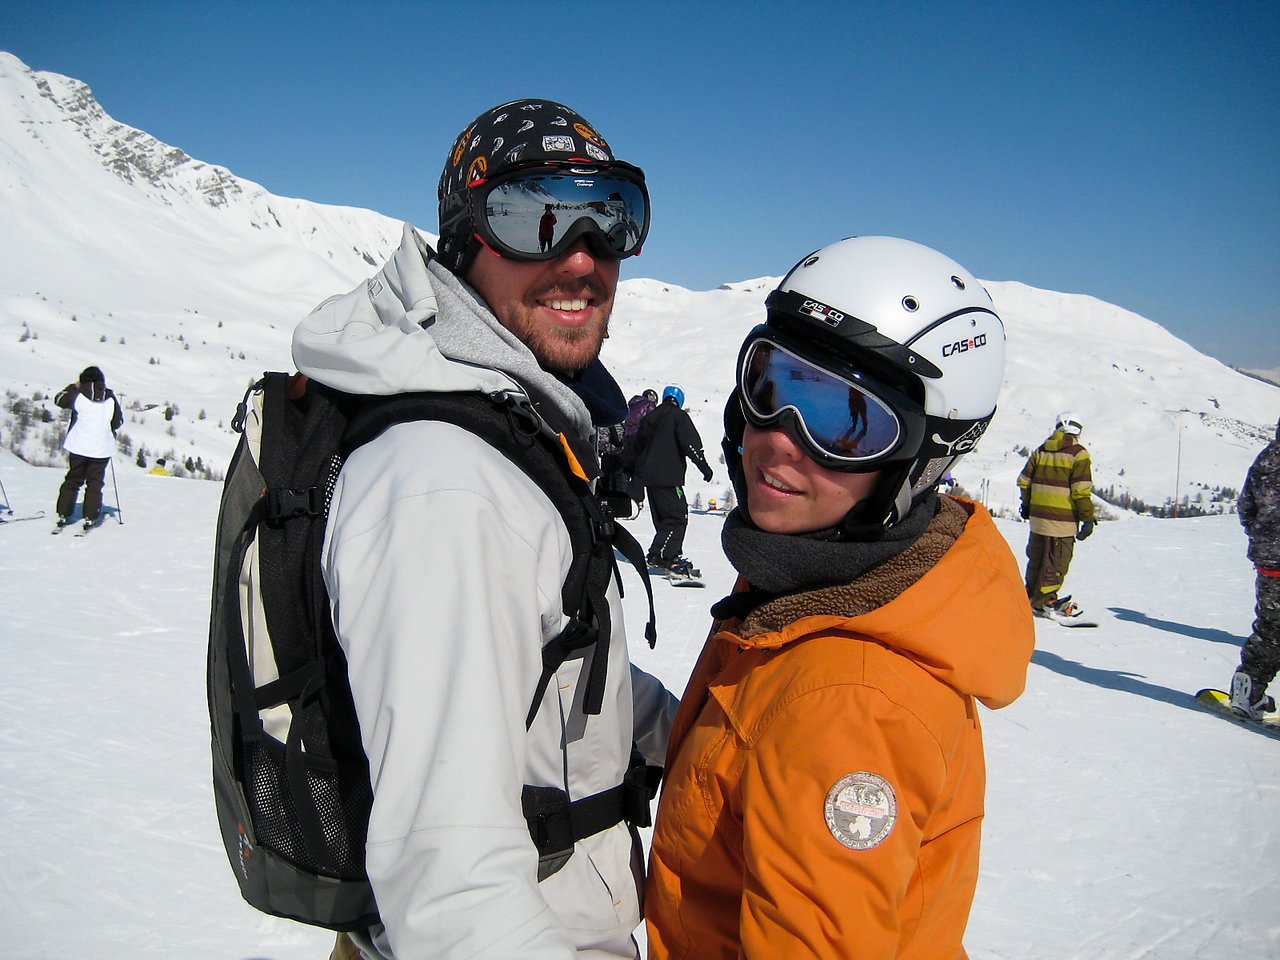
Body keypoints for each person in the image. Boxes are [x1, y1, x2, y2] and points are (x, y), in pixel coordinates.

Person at [291, 99, 677, 960]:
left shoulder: (515, 432)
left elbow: (553, 672)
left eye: (611, 216)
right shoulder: (447, 486)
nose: (581, 256)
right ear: (463, 241)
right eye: (530, 216)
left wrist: (687, 732)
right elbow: (452, 888)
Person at [644, 236, 1035, 959]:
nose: (781, 440)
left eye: (846, 421)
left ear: (919, 463)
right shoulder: (816, 589)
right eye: (775, 386)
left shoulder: (848, 700)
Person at [1017, 413, 1096, 620]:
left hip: (1038, 520)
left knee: (1037, 558)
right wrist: (1087, 518)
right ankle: (1045, 601)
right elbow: (1080, 491)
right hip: (1062, 522)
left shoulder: (1041, 451)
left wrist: (1027, 505)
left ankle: (1030, 595)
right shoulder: (1078, 454)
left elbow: (1024, 481)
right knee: (1057, 562)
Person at [631, 384, 713, 574]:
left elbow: (636, 447)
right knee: (677, 517)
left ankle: (668, 552)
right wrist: (704, 467)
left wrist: (633, 475)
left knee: (663, 519)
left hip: (649, 479)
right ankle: (661, 554)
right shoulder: (678, 416)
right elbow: (691, 443)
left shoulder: (650, 417)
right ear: (680, 400)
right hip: (668, 478)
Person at [1229, 416, 1280, 719]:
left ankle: (1246, 692)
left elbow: (1246, 505)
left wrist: (1261, 538)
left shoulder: (1266, 459)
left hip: (1269, 563)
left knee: (1270, 630)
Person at [54, 365, 123, 530]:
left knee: (72, 480)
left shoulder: (77, 395)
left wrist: (74, 386)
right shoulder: (110, 397)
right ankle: (90, 517)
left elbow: (58, 399)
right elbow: (117, 422)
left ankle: (64, 513)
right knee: (95, 483)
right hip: (101, 449)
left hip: (78, 446)